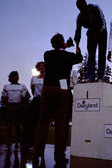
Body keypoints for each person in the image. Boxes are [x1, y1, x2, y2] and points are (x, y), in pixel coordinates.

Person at [33, 33, 82, 168]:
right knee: (61, 125)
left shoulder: (47, 55)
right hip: (62, 88)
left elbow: (58, 51)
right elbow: (80, 57)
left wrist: (64, 45)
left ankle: (37, 153)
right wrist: (76, 45)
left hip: (48, 88)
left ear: (52, 44)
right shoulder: (69, 56)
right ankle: (59, 156)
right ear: (62, 44)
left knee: (42, 123)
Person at [74, 0, 107, 82]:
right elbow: (78, 31)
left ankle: (100, 76)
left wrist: (100, 32)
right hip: (91, 33)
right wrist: (77, 46)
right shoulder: (79, 16)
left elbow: (103, 21)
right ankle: (90, 77)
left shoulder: (95, 7)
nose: (81, 9)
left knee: (101, 54)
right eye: (79, 8)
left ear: (85, 4)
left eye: (82, 6)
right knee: (91, 55)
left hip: (101, 32)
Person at [2, 71, 30, 150]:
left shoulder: (22, 86)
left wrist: (18, 106)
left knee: (17, 126)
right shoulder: (6, 86)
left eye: (16, 76)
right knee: (9, 126)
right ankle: (8, 144)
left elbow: (24, 98)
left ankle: (18, 143)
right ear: (10, 78)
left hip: (19, 107)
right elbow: (4, 98)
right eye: (13, 76)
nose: (15, 78)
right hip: (9, 107)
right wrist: (8, 107)